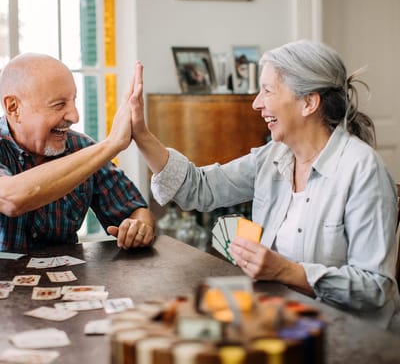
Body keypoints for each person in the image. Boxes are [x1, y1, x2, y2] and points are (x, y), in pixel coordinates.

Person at [127, 40, 400, 331]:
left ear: (309, 102)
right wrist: (141, 134)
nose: (256, 103)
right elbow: (199, 188)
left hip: (351, 338)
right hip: (284, 323)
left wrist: (287, 271)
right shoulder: (272, 157)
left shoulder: (363, 171)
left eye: (268, 90)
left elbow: (375, 288)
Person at [0, 53, 155, 252]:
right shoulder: (94, 152)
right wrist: (111, 144)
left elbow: (135, 210)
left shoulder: (81, 147)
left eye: (73, 101)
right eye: (59, 105)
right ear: (13, 108)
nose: (75, 116)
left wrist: (139, 228)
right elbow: (11, 199)